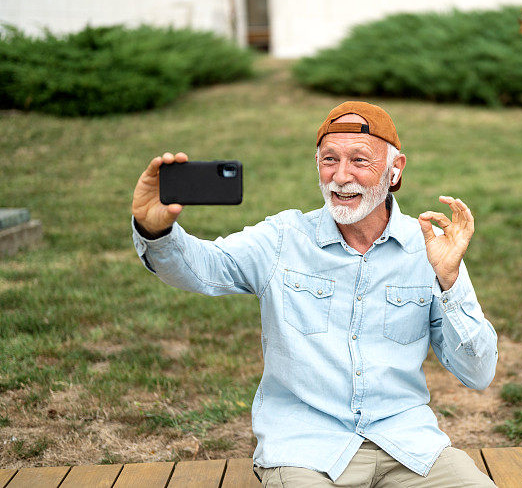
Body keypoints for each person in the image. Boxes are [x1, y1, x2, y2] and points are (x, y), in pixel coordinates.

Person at [130, 101, 498, 487]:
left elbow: (478, 373)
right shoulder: (283, 238)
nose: (340, 176)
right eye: (329, 160)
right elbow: (203, 267)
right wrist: (156, 231)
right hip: (305, 450)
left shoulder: (431, 249)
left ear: (395, 170)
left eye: (359, 161)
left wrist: (450, 281)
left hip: (407, 448)